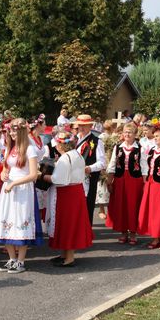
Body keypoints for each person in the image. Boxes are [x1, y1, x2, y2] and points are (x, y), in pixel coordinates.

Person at [0, 118, 42, 274]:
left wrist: (14, 183)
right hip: (9, 190)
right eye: (11, 131)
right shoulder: (11, 148)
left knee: (21, 223)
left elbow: (34, 175)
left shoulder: (30, 149)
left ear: (22, 130)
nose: (12, 133)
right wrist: (3, 175)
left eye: (15, 130)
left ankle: (21, 261)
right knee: (7, 221)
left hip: (23, 191)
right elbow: (5, 169)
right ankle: (12, 259)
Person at [42, 131, 93, 266]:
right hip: (75, 191)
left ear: (61, 145)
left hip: (67, 194)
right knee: (67, 224)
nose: (56, 146)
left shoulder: (66, 158)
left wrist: (40, 176)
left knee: (67, 224)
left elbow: (58, 180)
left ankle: (69, 258)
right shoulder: (77, 155)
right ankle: (64, 254)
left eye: (57, 143)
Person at [106, 123, 147, 244]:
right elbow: (112, 164)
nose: (127, 134)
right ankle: (123, 232)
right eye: (125, 132)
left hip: (135, 181)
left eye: (130, 132)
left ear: (135, 134)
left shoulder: (140, 147)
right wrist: (109, 181)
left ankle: (133, 233)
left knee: (133, 206)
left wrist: (145, 183)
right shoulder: (118, 146)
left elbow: (144, 166)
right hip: (120, 179)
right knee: (121, 205)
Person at [74, 114, 107, 225]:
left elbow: (102, 163)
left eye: (85, 125)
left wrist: (90, 168)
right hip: (73, 179)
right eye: (80, 125)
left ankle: (85, 234)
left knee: (87, 207)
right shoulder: (73, 140)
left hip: (88, 180)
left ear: (90, 126)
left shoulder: (97, 141)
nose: (81, 128)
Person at [95, 120, 115, 220]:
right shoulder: (101, 138)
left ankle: (108, 210)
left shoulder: (114, 137)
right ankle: (102, 210)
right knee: (102, 186)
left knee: (110, 187)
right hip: (105, 162)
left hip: (112, 161)